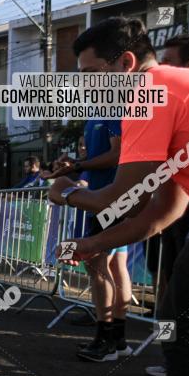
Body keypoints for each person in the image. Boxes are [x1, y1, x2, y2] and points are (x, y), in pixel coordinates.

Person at [49, 17, 189, 376]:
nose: (88, 87)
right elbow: (163, 210)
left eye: (92, 74)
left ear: (125, 64)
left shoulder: (147, 93)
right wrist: (92, 245)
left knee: (186, 326)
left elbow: (124, 197)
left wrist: (66, 193)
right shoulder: (181, 87)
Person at [142, 33, 189, 376]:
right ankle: (176, 358)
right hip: (180, 221)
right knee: (168, 293)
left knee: (183, 304)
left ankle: (184, 361)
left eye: (170, 62)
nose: (162, 71)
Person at [47, 115, 132, 362]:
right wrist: (77, 163)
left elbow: (117, 155)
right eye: (83, 74)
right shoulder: (95, 113)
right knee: (116, 266)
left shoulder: (117, 108)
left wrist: (77, 167)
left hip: (111, 199)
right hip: (103, 198)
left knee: (97, 265)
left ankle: (105, 340)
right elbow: (102, 155)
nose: (87, 79)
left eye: (93, 72)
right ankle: (117, 339)